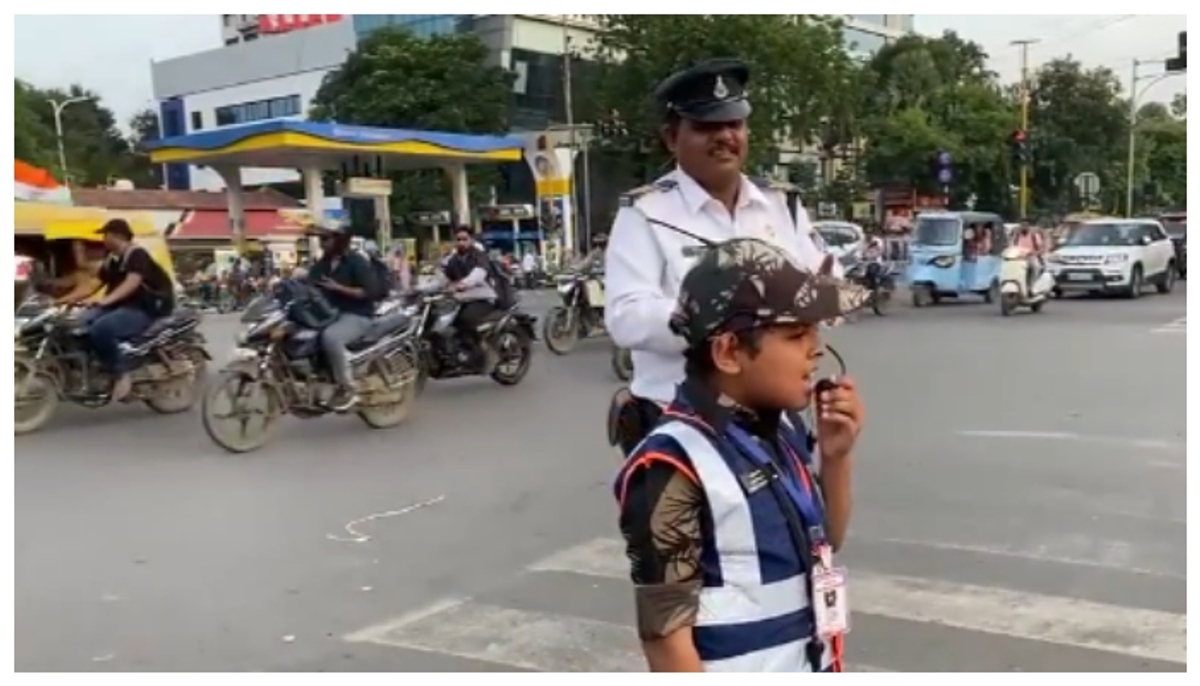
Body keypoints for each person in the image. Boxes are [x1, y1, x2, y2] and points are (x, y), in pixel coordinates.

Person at [615, 237, 868, 672]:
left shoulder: (780, 427)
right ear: (729, 352)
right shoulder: (671, 465)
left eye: (816, 330)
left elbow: (828, 538)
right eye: (795, 333)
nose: (817, 348)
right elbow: (665, 642)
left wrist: (836, 456)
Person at [604, 58, 840, 453]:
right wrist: (718, 317)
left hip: (771, 418)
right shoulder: (645, 214)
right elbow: (626, 317)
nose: (725, 136)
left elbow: (827, 289)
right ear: (671, 137)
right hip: (682, 421)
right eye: (706, 127)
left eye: (735, 124)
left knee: (793, 516)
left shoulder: (782, 205)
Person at [82, 219, 175, 401]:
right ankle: (97, 367)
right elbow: (94, 283)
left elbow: (132, 282)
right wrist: (67, 299)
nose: (103, 239)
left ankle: (120, 373)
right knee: (80, 322)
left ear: (117, 236)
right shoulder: (112, 258)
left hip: (144, 308)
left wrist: (105, 300)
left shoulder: (136, 254)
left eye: (105, 235)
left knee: (102, 328)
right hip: (120, 306)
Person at [305, 223, 380, 411]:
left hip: (357, 314)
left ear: (340, 240)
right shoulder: (322, 264)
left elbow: (370, 292)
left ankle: (348, 388)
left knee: (331, 337)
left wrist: (339, 288)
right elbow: (309, 284)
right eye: (321, 240)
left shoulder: (356, 261)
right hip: (330, 315)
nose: (322, 244)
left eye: (326, 239)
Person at [440, 227, 499, 361]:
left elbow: (478, 274)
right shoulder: (453, 260)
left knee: (465, 318)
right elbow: (443, 278)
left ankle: (482, 351)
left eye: (464, 239)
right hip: (462, 299)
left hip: (484, 298)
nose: (461, 242)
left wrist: (463, 284)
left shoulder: (479, 255)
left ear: (471, 240)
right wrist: (421, 289)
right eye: (458, 239)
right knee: (444, 318)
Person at [1012, 220, 1045, 292]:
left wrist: (1034, 253)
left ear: (1028, 226)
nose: (1023, 227)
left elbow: (1041, 248)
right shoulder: (1017, 236)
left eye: (1025, 225)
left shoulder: (1034, 235)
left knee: (1036, 267)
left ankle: (1032, 285)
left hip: (1031, 257)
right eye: (1022, 225)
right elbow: (1012, 247)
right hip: (1019, 258)